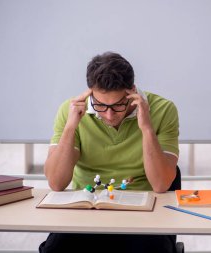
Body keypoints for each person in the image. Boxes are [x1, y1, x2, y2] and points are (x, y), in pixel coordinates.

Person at [39, 51, 179, 253]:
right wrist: (70, 127)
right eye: (101, 105)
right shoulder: (70, 110)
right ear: (90, 92)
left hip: (142, 213)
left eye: (118, 105)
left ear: (132, 92)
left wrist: (146, 128)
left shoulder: (163, 110)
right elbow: (56, 182)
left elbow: (160, 184)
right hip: (86, 212)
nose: (109, 114)